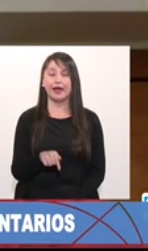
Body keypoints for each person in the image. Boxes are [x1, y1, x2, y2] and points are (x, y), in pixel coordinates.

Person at [10, 52, 106, 200]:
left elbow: (98, 172)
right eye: (52, 74)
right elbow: (17, 170)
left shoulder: (90, 120)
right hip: (35, 206)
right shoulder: (28, 119)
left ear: (74, 81)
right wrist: (39, 159)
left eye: (65, 74)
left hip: (79, 205)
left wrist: (72, 201)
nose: (58, 80)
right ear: (43, 81)